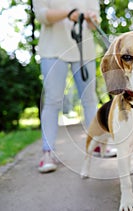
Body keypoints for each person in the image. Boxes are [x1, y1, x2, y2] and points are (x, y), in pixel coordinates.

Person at [33, 0, 116, 173]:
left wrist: (92, 18)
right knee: (52, 101)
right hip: (52, 50)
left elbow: (94, 24)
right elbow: (42, 16)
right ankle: (48, 152)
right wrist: (69, 13)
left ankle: (99, 144)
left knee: (90, 99)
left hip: (83, 51)